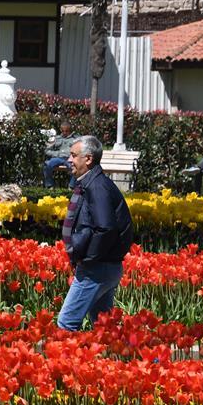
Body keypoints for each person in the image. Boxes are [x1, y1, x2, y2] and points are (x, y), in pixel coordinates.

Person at [57, 135, 134, 331]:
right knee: (104, 328)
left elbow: (105, 228)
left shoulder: (97, 187)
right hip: (106, 265)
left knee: (66, 323)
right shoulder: (91, 183)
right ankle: (120, 350)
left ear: (88, 159)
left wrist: (88, 259)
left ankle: (66, 354)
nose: (69, 160)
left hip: (97, 268)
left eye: (74, 155)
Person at [43, 119, 78, 188]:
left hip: (70, 159)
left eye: (66, 131)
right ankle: (49, 186)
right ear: (60, 130)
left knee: (77, 167)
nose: (64, 133)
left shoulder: (75, 139)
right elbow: (47, 150)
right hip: (58, 158)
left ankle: (71, 186)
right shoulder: (56, 139)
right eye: (63, 131)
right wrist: (57, 154)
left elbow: (79, 150)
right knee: (47, 165)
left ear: (70, 130)